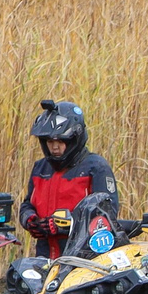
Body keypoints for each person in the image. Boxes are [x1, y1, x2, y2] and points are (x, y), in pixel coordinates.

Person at [23, 99, 121, 258]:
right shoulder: (40, 168)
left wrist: (63, 226)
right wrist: (30, 220)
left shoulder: (96, 167)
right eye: (50, 141)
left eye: (60, 141)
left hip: (83, 256)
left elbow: (106, 218)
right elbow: (27, 204)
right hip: (45, 254)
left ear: (74, 139)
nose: (55, 147)